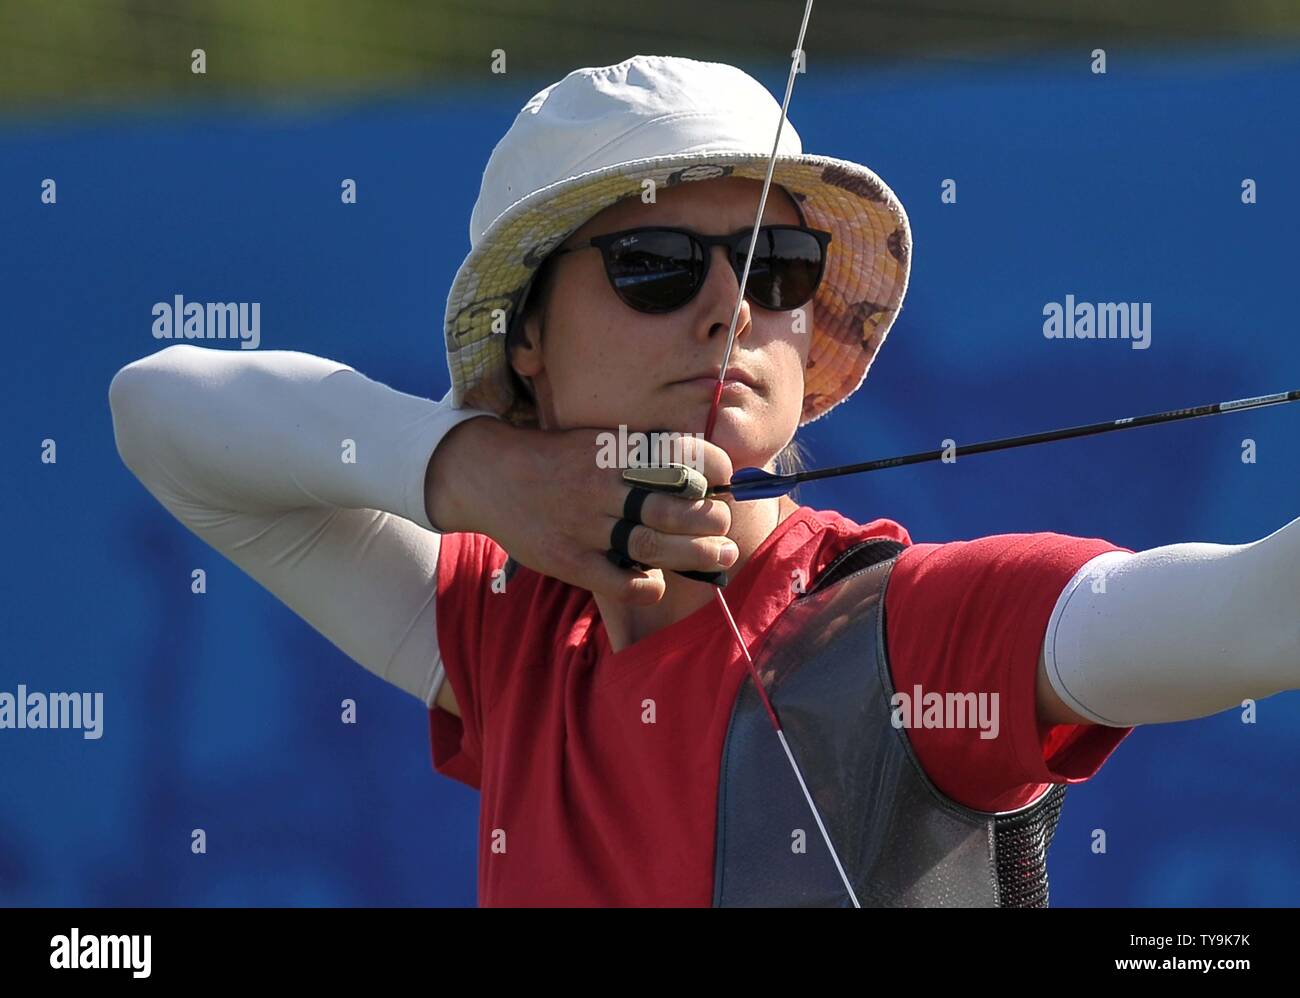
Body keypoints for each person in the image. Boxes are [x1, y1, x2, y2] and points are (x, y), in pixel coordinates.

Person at [109, 55, 1300, 907]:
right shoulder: (510, 632)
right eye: (653, 264)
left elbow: (1257, 607)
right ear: (527, 337)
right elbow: (156, 410)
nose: (732, 307)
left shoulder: (920, 631)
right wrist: (477, 473)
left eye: (775, 267)